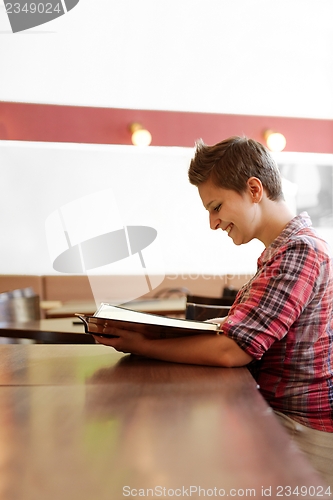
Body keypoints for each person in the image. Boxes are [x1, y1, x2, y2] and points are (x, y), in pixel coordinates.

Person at [94, 136, 333, 483]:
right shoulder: (282, 252)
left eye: (216, 206)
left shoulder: (300, 252)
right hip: (278, 416)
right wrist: (152, 331)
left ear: (254, 189)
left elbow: (233, 350)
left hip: (298, 428)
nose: (213, 223)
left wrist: (139, 344)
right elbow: (235, 332)